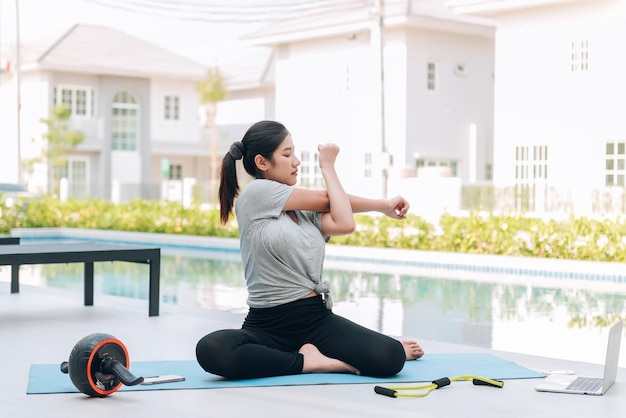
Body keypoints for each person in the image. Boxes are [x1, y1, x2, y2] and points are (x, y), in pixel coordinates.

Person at [196, 120, 424, 379]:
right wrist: (329, 167)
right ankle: (310, 362)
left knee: (390, 358)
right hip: (266, 325)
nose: (296, 161)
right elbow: (326, 198)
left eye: (294, 153)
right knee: (212, 349)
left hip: (315, 321)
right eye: (286, 154)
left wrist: (382, 205)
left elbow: (344, 221)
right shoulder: (255, 194)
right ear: (262, 162)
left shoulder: (306, 212)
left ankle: (306, 357)